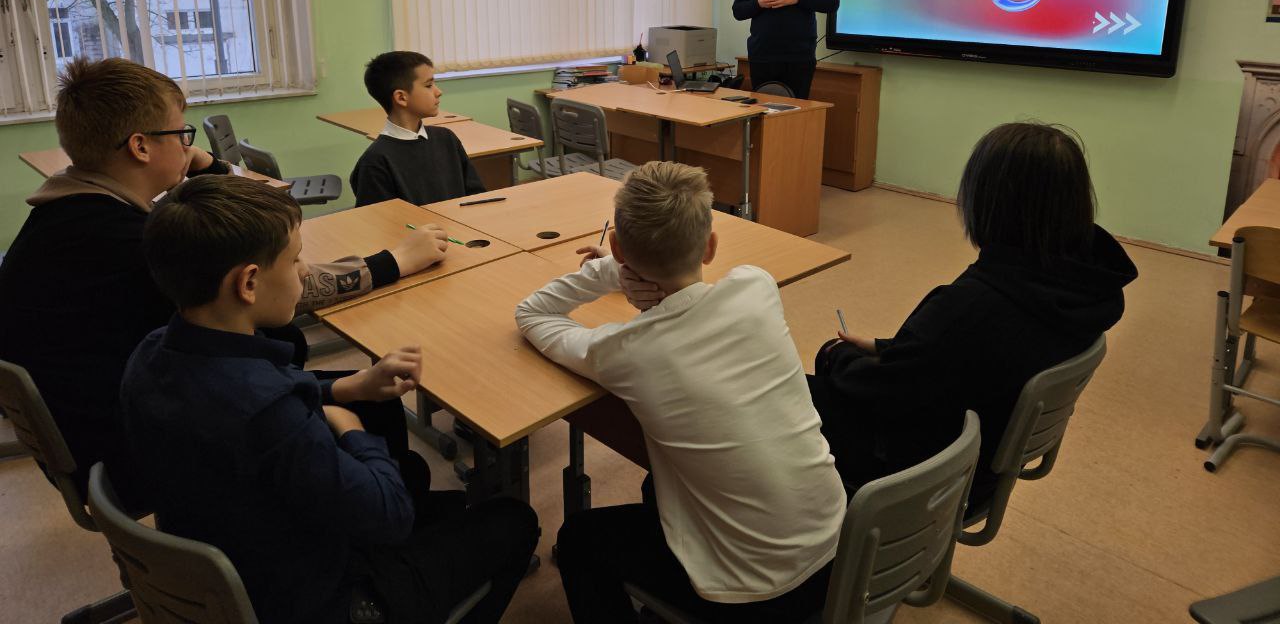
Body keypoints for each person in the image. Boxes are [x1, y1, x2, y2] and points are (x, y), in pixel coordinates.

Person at [0, 57, 450, 510]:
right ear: (140, 146)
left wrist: (206, 165)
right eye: (182, 133)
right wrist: (395, 261)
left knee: (339, 377)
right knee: (361, 398)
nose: (188, 144)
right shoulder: (130, 243)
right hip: (139, 447)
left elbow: (257, 222)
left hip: (113, 421)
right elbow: (276, 270)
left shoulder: (66, 213)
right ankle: (396, 519)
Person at [122, 175, 539, 624]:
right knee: (513, 520)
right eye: (295, 259)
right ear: (248, 283)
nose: (305, 270)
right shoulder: (271, 416)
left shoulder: (150, 353)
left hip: (234, 554)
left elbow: (257, 390)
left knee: (417, 477)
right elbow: (391, 516)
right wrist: (351, 428)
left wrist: (343, 389)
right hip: (318, 599)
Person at [515, 161, 845, 623]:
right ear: (710, 246)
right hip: (838, 545)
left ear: (617, 248)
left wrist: (614, 270)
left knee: (578, 539)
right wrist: (640, 271)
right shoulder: (757, 287)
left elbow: (531, 314)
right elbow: (694, 297)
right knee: (660, 484)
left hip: (753, 594)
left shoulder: (625, 352)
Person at [808, 122, 1135, 504]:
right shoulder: (1083, 288)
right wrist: (888, 347)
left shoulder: (972, 306)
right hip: (981, 466)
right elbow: (951, 359)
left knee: (783, 396)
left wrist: (838, 355)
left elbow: (885, 391)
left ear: (992, 203)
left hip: (920, 476)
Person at [351, 50, 485, 207]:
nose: (438, 92)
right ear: (401, 97)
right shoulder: (375, 161)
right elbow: (377, 219)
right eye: (428, 85)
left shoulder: (446, 138)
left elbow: (476, 195)